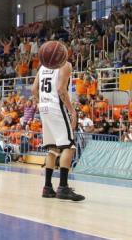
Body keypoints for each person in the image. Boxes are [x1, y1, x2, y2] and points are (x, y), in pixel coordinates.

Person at [32, 59, 85, 201]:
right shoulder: (65, 64)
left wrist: (42, 103)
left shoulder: (43, 67)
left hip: (44, 108)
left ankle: (47, 187)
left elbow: (33, 90)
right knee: (69, 146)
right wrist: (72, 111)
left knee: (53, 149)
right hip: (57, 107)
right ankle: (63, 187)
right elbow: (61, 89)